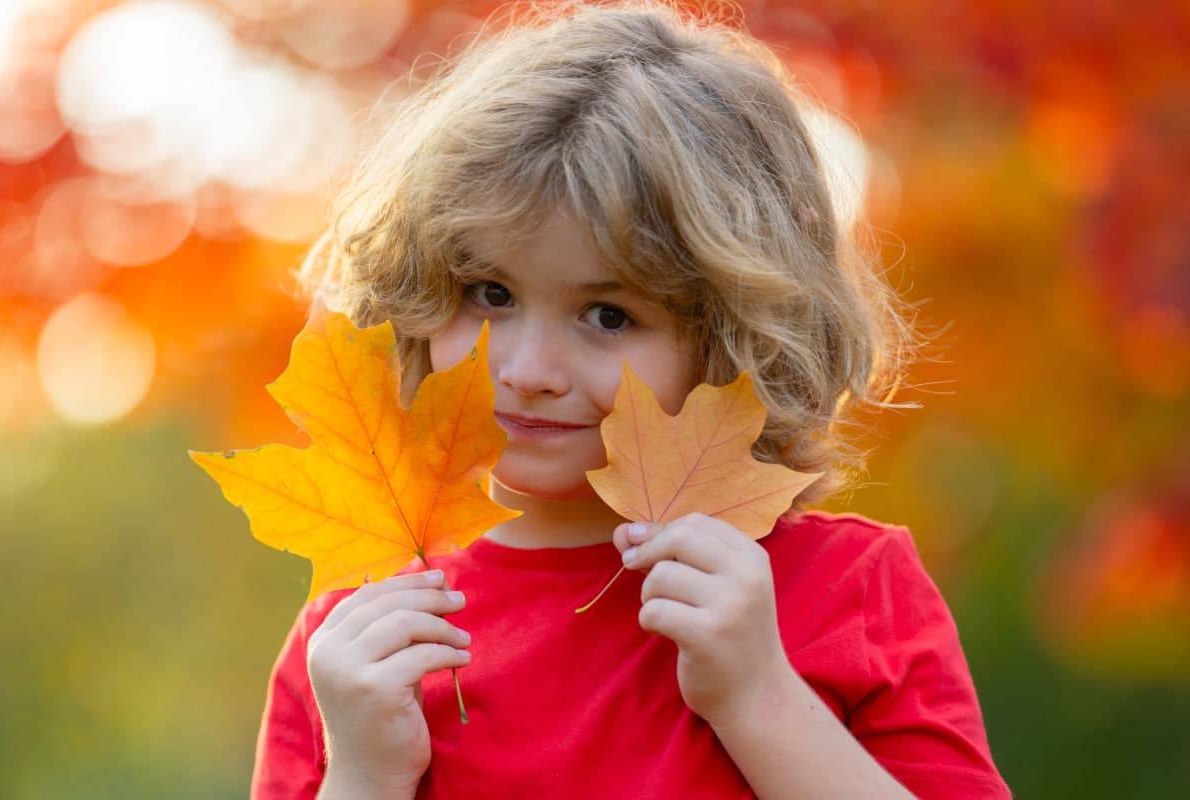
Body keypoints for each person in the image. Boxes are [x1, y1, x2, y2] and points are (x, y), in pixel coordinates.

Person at [252, 1, 1011, 797]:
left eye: (609, 315)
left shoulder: (845, 590)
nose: (528, 368)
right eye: (489, 293)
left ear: (730, 340)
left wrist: (760, 700)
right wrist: (365, 775)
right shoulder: (358, 643)